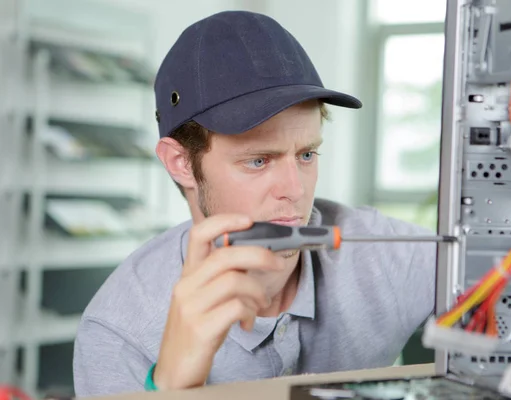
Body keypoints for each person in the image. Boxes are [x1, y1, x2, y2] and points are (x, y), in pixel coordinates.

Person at [72, 10, 436, 398]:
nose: (294, 190)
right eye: (258, 161)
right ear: (181, 164)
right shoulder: (118, 332)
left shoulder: (379, 250)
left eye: (307, 155)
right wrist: (172, 388)